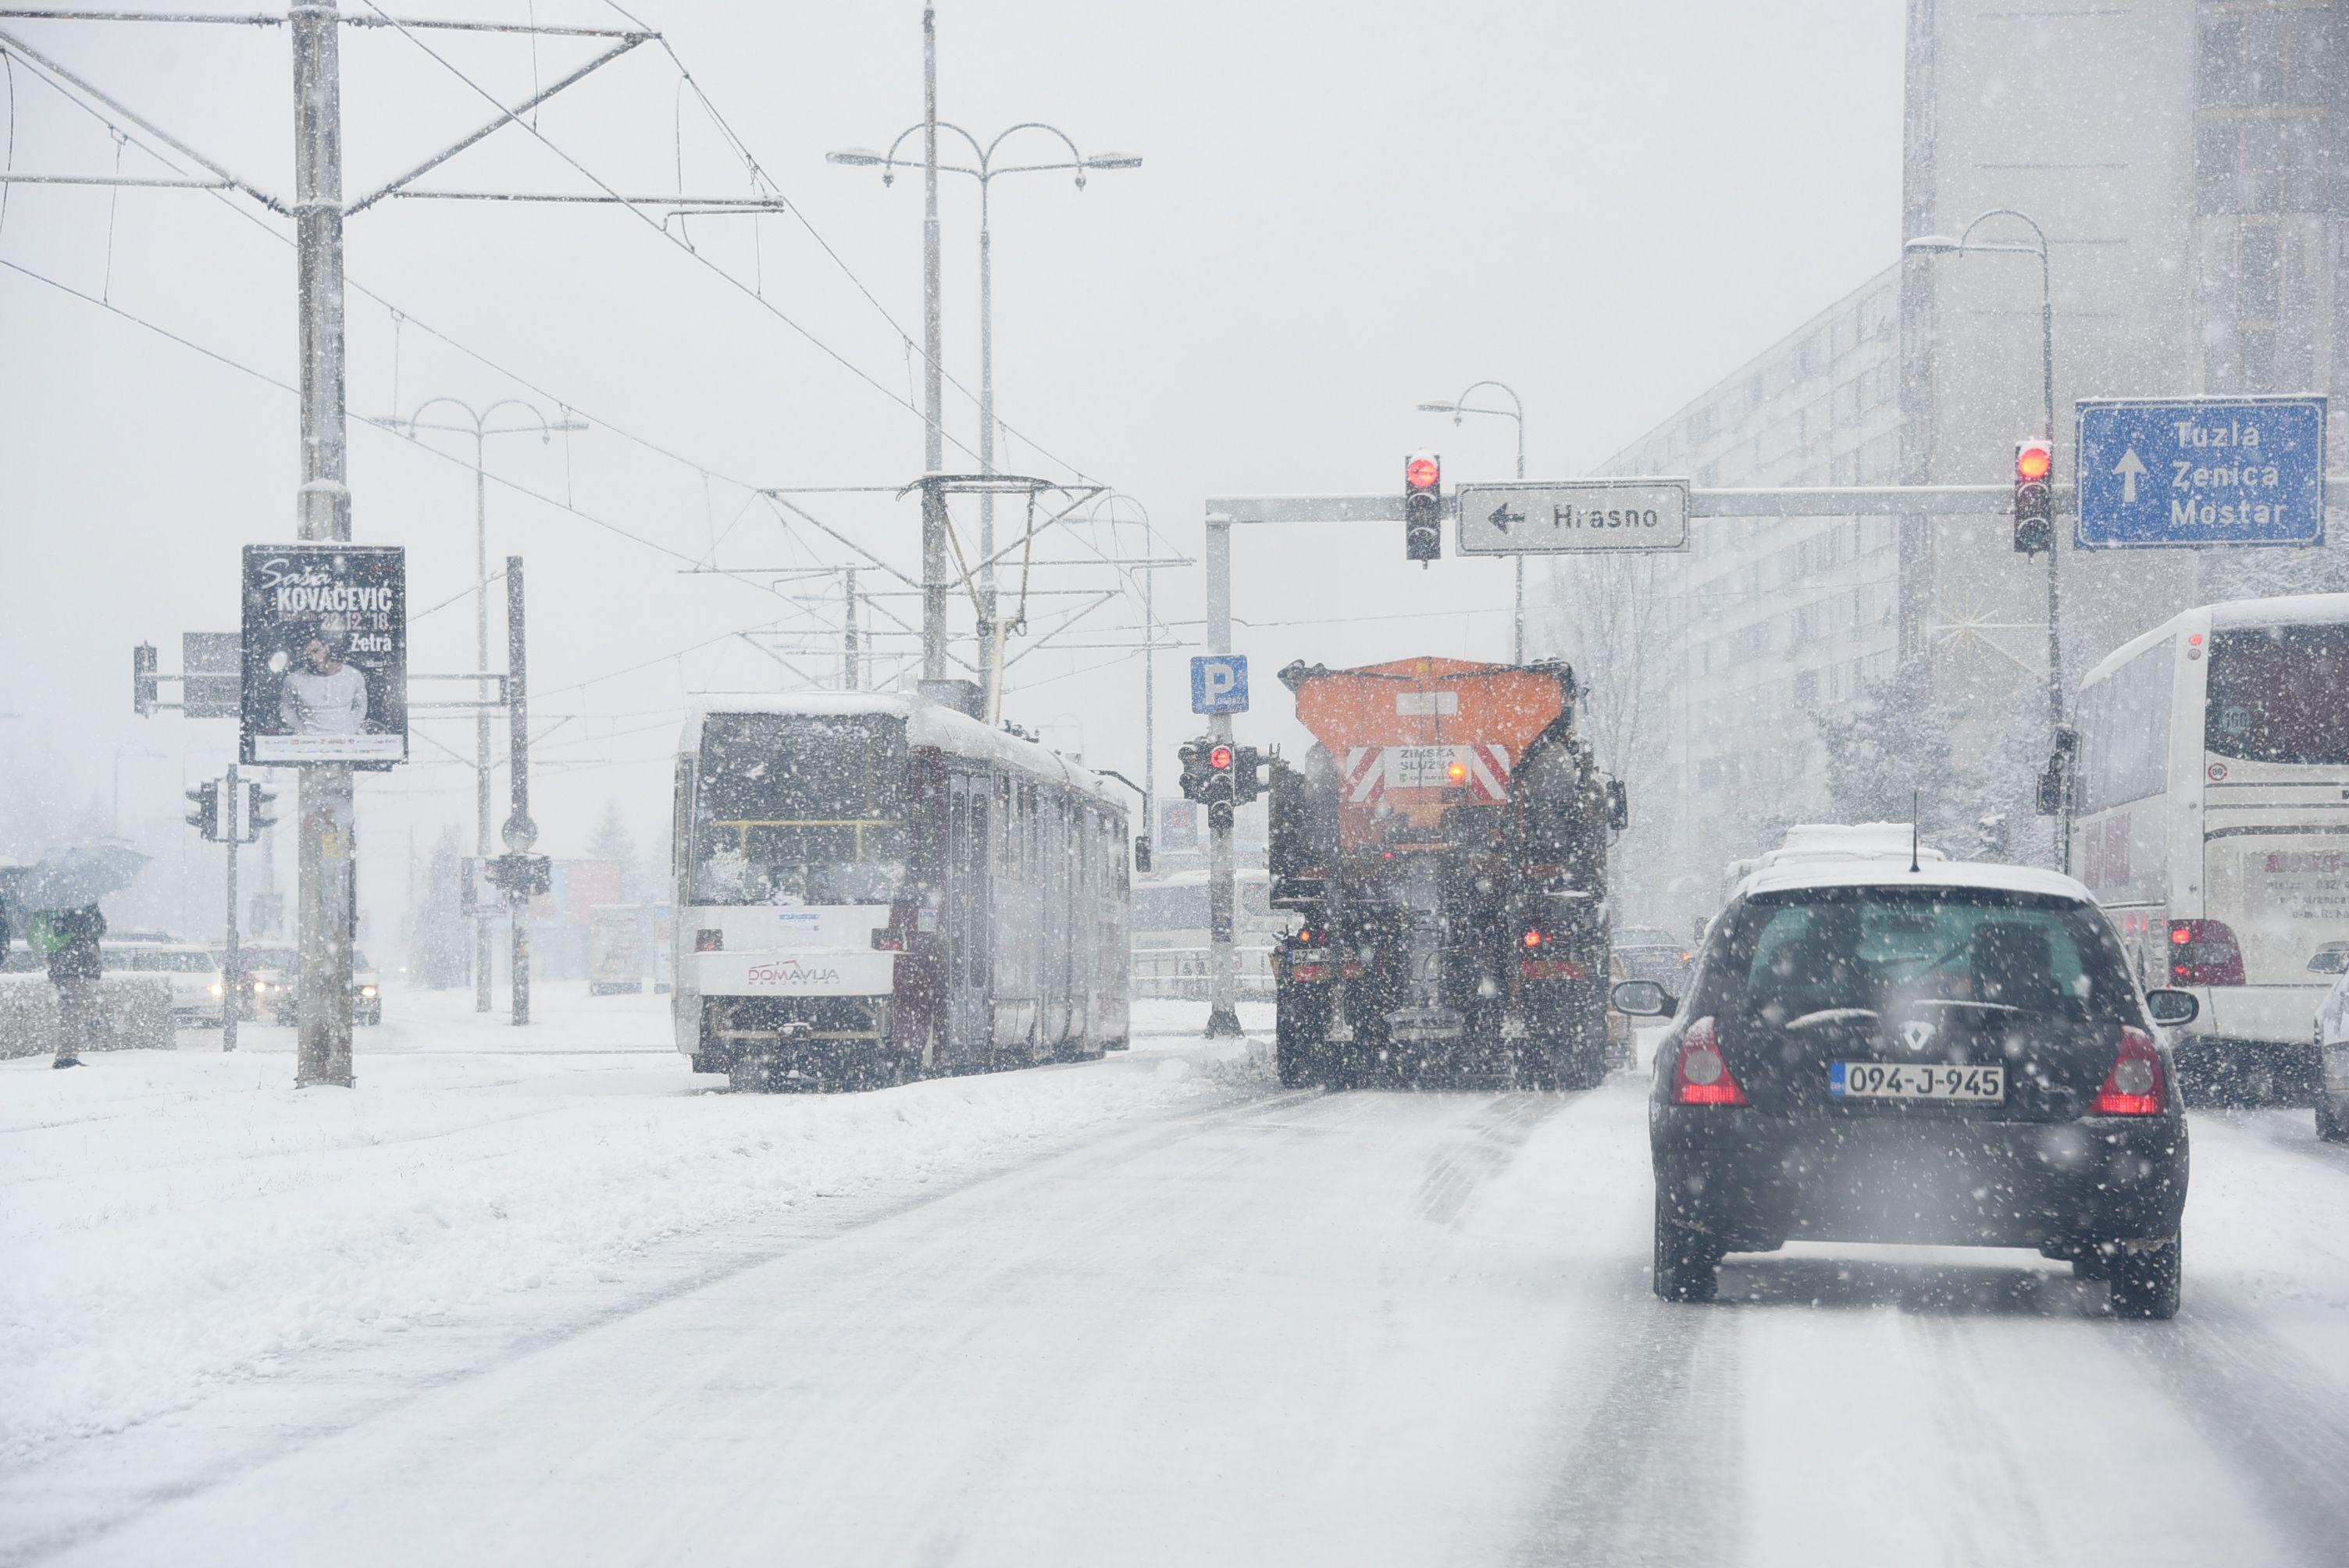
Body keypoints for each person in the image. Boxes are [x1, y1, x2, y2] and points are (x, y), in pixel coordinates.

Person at [28, 903, 106, 1068]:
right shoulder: (79, 904)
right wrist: (94, 912)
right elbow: (96, 928)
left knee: (71, 1008)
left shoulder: (55, 903)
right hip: (77, 964)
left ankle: (67, 1054)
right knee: (73, 1009)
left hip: (62, 964)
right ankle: (66, 1056)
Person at [280, 634, 369, 736]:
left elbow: (361, 707)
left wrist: (350, 731)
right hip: (308, 742)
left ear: (326, 648)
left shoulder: (353, 675)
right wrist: (303, 732)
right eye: (307, 655)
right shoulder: (293, 680)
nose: (313, 658)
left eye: (316, 651)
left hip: (347, 739)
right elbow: (287, 711)